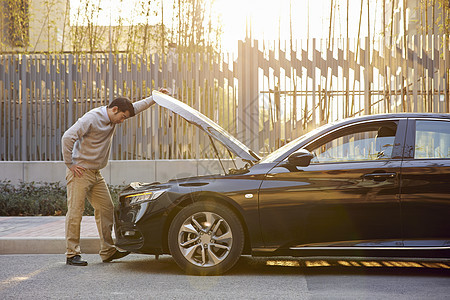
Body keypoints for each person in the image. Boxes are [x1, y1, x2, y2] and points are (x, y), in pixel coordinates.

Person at [62, 89, 168, 266]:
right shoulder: (91, 118)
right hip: (80, 173)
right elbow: (68, 136)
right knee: (75, 212)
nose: (123, 121)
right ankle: (72, 254)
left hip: (96, 173)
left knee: (106, 209)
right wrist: (70, 164)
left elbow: (136, 107)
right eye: (123, 117)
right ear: (115, 109)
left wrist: (155, 98)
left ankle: (107, 251)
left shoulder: (115, 115)